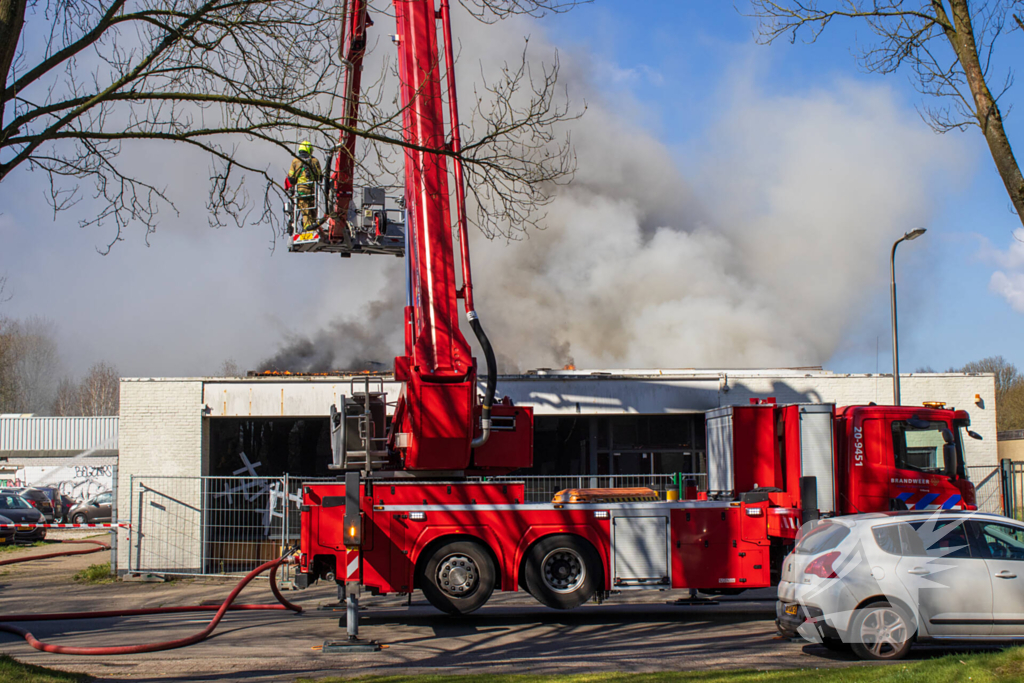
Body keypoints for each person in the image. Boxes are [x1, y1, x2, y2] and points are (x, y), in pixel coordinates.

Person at [286, 140, 322, 230]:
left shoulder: (295, 161)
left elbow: (291, 178)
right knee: (313, 210)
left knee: (305, 210)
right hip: (312, 190)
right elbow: (319, 176)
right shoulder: (315, 161)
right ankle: (314, 227)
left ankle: (307, 228)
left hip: (301, 190)